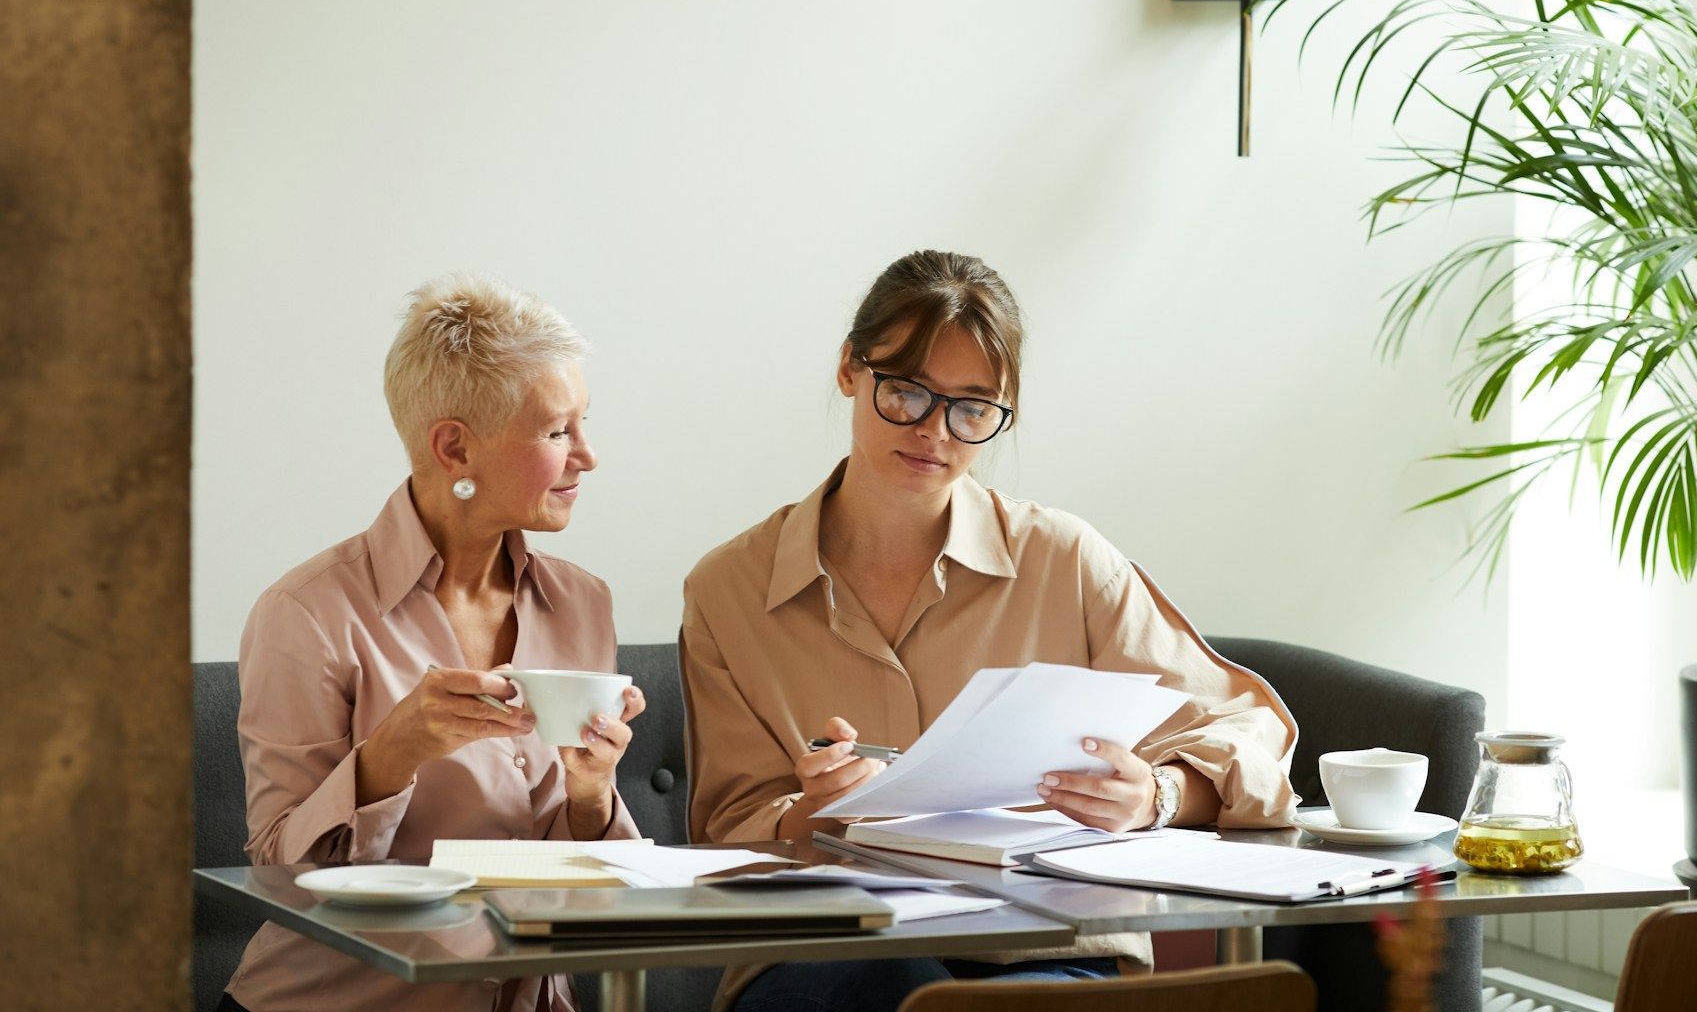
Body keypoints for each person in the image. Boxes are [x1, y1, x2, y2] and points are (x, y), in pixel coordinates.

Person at [681, 250, 1299, 1012]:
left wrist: (1159, 796)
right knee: (896, 989)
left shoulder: (1067, 562)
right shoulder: (729, 589)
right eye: (906, 392)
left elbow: (1249, 728)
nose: (935, 432)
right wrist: (811, 815)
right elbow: (722, 833)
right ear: (849, 368)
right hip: (826, 957)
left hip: (1045, 950)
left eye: (973, 409)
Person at [222, 274, 645, 1012]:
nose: (588, 455)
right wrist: (395, 753)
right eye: (557, 431)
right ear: (454, 448)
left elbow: (592, 889)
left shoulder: (584, 603)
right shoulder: (307, 613)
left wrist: (591, 790)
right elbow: (279, 874)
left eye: (583, 424)